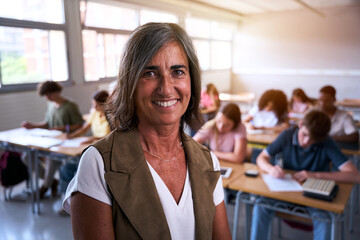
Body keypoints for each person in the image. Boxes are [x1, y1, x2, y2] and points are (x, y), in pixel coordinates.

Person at [63, 22, 231, 240]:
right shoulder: (99, 164)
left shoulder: (208, 162)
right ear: (130, 83)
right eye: (150, 73)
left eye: (178, 71)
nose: (166, 88)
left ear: (192, 81)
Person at [250, 110, 359, 240]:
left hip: (313, 194)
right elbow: (261, 158)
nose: (306, 141)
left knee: (323, 219)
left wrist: (315, 175)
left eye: (313, 140)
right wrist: (271, 169)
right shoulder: (287, 135)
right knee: (260, 206)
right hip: (285, 190)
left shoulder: (326, 141)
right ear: (300, 124)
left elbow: (355, 176)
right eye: (304, 135)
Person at [21, 81, 84, 199]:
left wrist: (63, 128)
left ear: (56, 92)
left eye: (49, 94)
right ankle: (52, 181)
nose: (47, 98)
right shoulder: (50, 105)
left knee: (51, 159)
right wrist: (32, 125)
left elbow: (80, 125)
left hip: (66, 142)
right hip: (51, 141)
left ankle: (44, 187)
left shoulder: (70, 106)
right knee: (26, 156)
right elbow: (47, 124)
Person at [57, 90, 111, 216]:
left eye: (96, 105)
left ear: (105, 104)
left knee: (78, 170)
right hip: (90, 148)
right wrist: (70, 136)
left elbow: (110, 136)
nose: (94, 107)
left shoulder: (112, 116)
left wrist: (92, 139)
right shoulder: (94, 114)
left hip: (102, 151)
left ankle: (83, 203)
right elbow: (84, 128)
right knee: (65, 169)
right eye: (93, 104)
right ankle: (67, 202)